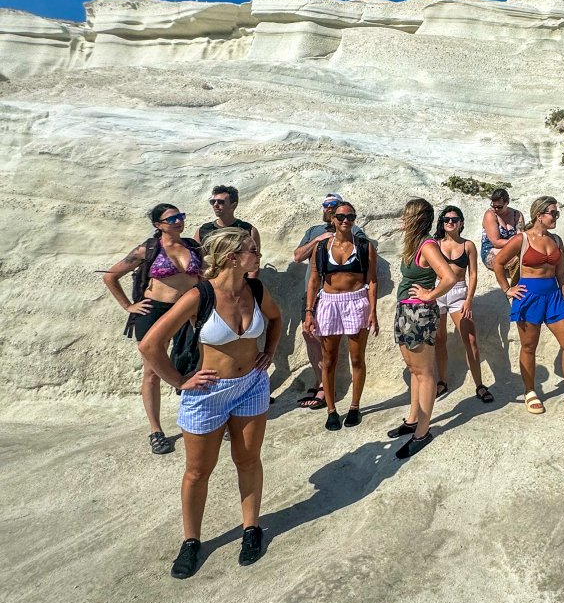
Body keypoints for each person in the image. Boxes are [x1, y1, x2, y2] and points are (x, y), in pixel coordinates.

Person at [140, 228, 282, 579]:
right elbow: (150, 345)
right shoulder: (199, 295)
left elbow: (276, 319)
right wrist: (179, 381)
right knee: (198, 471)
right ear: (233, 257)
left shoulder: (256, 289)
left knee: (248, 460)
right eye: (252, 250)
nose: (258, 255)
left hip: (251, 385)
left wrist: (269, 353)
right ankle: (191, 541)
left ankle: (251, 529)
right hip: (208, 394)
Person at [103, 204, 202, 455]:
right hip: (155, 310)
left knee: (204, 363)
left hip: (189, 310)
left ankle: (206, 415)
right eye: (172, 219)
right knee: (152, 372)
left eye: (181, 216)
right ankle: (156, 430)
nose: (179, 221)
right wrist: (129, 305)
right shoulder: (146, 250)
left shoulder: (192, 246)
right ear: (158, 225)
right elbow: (110, 277)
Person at [493, 196, 564, 418]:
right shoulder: (522, 239)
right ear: (540, 215)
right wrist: (507, 289)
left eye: (557, 213)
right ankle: (530, 391)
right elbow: (498, 262)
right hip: (529, 295)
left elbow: (562, 273)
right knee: (529, 346)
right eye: (553, 213)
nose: (556, 217)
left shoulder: (556, 240)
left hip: (554, 295)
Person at [386, 198, 458, 459]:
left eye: (406, 217)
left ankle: (423, 432)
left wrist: (430, 295)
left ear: (416, 219)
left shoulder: (427, 245)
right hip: (406, 311)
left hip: (419, 313)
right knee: (414, 369)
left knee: (425, 373)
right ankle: (413, 419)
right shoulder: (414, 244)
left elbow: (450, 277)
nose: (402, 221)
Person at [303, 201, 379, 430]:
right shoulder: (322, 246)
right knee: (329, 359)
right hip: (329, 303)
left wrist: (373, 311)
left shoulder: (365, 246)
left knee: (357, 358)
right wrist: (309, 311)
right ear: (332, 219)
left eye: (351, 217)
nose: (346, 221)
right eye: (341, 217)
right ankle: (331, 410)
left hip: (357, 301)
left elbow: (372, 280)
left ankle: (355, 407)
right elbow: (314, 281)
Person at [293, 193, 369, 409]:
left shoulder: (351, 229)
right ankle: (321, 383)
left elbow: (364, 250)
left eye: (333, 205)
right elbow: (297, 257)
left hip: (340, 297)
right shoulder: (314, 231)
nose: (329, 208)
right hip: (313, 294)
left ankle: (333, 390)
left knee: (338, 346)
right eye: (326, 205)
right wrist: (318, 241)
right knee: (309, 335)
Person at [432, 205, 492, 402]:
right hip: (438, 292)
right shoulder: (434, 244)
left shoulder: (468, 246)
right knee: (439, 340)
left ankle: (479, 385)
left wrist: (469, 299)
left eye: (454, 219)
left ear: (461, 223)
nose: (450, 222)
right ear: (442, 222)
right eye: (447, 219)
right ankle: (442, 381)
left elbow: (473, 274)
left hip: (459, 293)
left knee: (471, 340)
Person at [195, 185, 260, 276]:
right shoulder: (202, 231)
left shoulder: (249, 230)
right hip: (211, 283)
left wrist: (249, 286)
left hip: (239, 282)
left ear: (233, 205)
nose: (215, 205)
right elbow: (196, 262)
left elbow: (254, 263)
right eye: (213, 202)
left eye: (221, 202)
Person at [480, 188, 524, 270]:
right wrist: (514, 241)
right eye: (494, 206)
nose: (496, 209)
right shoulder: (490, 215)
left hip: (512, 248)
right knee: (518, 258)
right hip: (492, 250)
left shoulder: (517, 214)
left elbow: (521, 236)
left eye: (499, 207)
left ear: (507, 202)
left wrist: (516, 241)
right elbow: (496, 242)